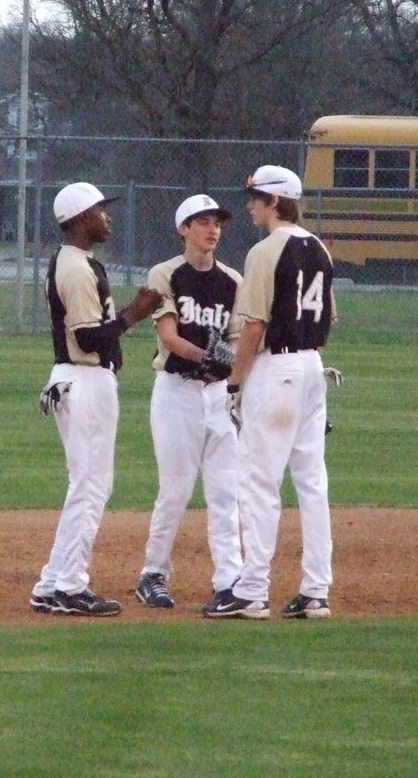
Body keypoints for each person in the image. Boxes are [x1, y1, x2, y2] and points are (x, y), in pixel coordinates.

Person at [30, 182, 164, 617]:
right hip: (83, 381)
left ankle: (53, 582)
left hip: (84, 381)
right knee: (90, 485)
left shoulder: (79, 262)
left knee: (87, 484)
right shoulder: (74, 267)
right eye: (100, 210)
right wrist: (134, 314)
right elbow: (88, 337)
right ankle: (70, 586)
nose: (108, 216)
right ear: (80, 219)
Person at [223, 164, 340, 620]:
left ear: (275, 201)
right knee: (312, 482)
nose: (249, 204)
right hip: (313, 365)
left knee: (258, 481)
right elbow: (329, 318)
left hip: (277, 368)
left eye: (255, 197)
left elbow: (253, 326)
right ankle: (315, 591)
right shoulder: (320, 250)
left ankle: (252, 589)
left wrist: (235, 381)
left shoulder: (265, 251)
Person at [134, 194, 247, 615]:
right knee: (176, 489)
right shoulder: (166, 274)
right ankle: (153, 573)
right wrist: (207, 356)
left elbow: (236, 338)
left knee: (224, 492)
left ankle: (229, 580)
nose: (212, 229)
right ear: (183, 229)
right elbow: (169, 336)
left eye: (216, 222)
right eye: (201, 221)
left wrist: (230, 363)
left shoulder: (233, 280)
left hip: (218, 396)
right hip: (176, 392)